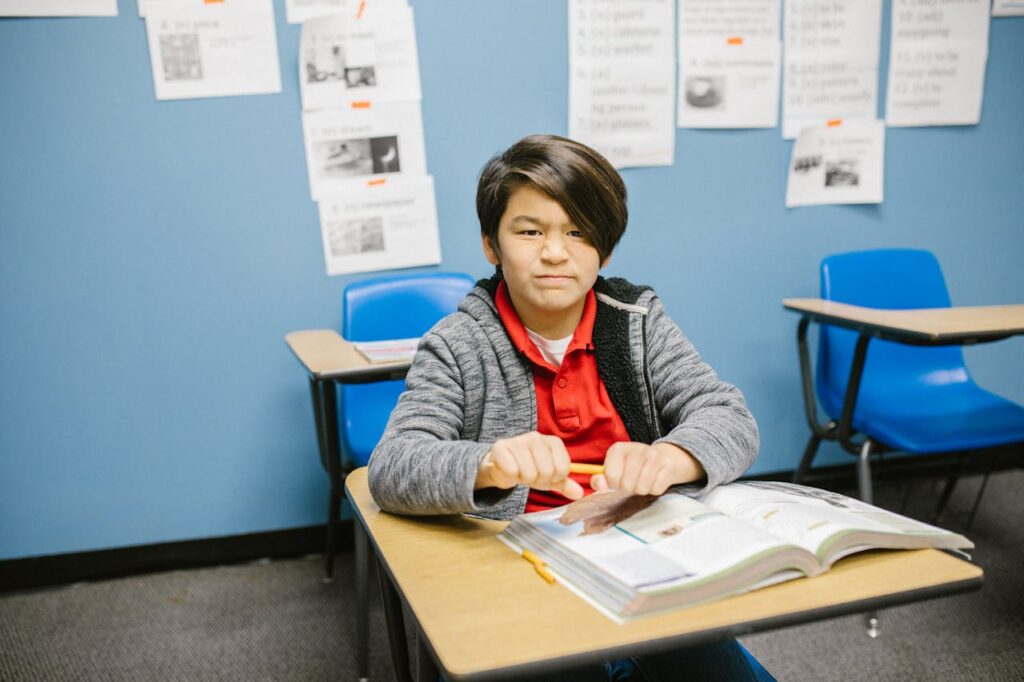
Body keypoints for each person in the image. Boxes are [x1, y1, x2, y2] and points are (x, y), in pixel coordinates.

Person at [368, 135, 763, 681]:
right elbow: (392, 466)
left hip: (641, 564)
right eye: (530, 232)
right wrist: (490, 464)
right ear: (491, 243)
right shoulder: (458, 343)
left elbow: (727, 415)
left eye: (578, 233)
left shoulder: (637, 321)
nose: (555, 252)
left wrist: (671, 457)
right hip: (516, 575)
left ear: (605, 248)